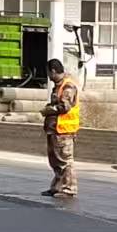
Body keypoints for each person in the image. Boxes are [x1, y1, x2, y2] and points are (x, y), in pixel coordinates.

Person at [40, 57, 81, 197]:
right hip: (55, 130)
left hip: (64, 130)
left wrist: (48, 110)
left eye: (48, 72)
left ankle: (69, 189)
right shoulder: (58, 86)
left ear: (53, 71)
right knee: (56, 161)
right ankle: (57, 187)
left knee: (65, 161)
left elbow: (64, 107)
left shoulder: (68, 86)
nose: (48, 76)